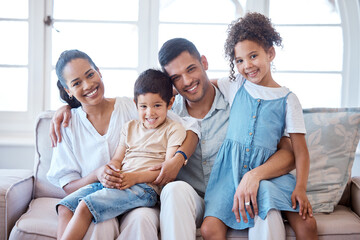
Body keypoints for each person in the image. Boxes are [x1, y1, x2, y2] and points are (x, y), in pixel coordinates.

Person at [51, 38, 296, 239]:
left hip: (228, 197)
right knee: (174, 189)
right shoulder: (163, 112)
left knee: (267, 210)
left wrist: (253, 175)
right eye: (176, 78)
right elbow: (137, 102)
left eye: (191, 69)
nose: (187, 81)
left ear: (204, 63)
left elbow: (284, 146)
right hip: (189, 200)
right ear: (171, 88)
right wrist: (69, 108)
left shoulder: (237, 98)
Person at [47, 50, 198, 240]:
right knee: (65, 206)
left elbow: (191, 127)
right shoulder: (69, 124)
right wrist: (101, 173)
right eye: (76, 83)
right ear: (67, 89)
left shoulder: (133, 108)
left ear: (99, 72)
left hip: (141, 189)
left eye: (90, 74)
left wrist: (178, 159)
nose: (87, 85)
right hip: (112, 186)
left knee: (95, 208)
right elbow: (70, 183)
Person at [200, 13, 317, 240]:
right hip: (229, 174)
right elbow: (206, 84)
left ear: (270, 53)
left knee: (307, 224)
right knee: (209, 229)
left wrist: (300, 188)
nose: (247, 65)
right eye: (239, 60)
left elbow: (300, 151)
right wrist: (172, 91)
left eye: (253, 56)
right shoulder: (236, 84)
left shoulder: (288, 99)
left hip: (269, 173)